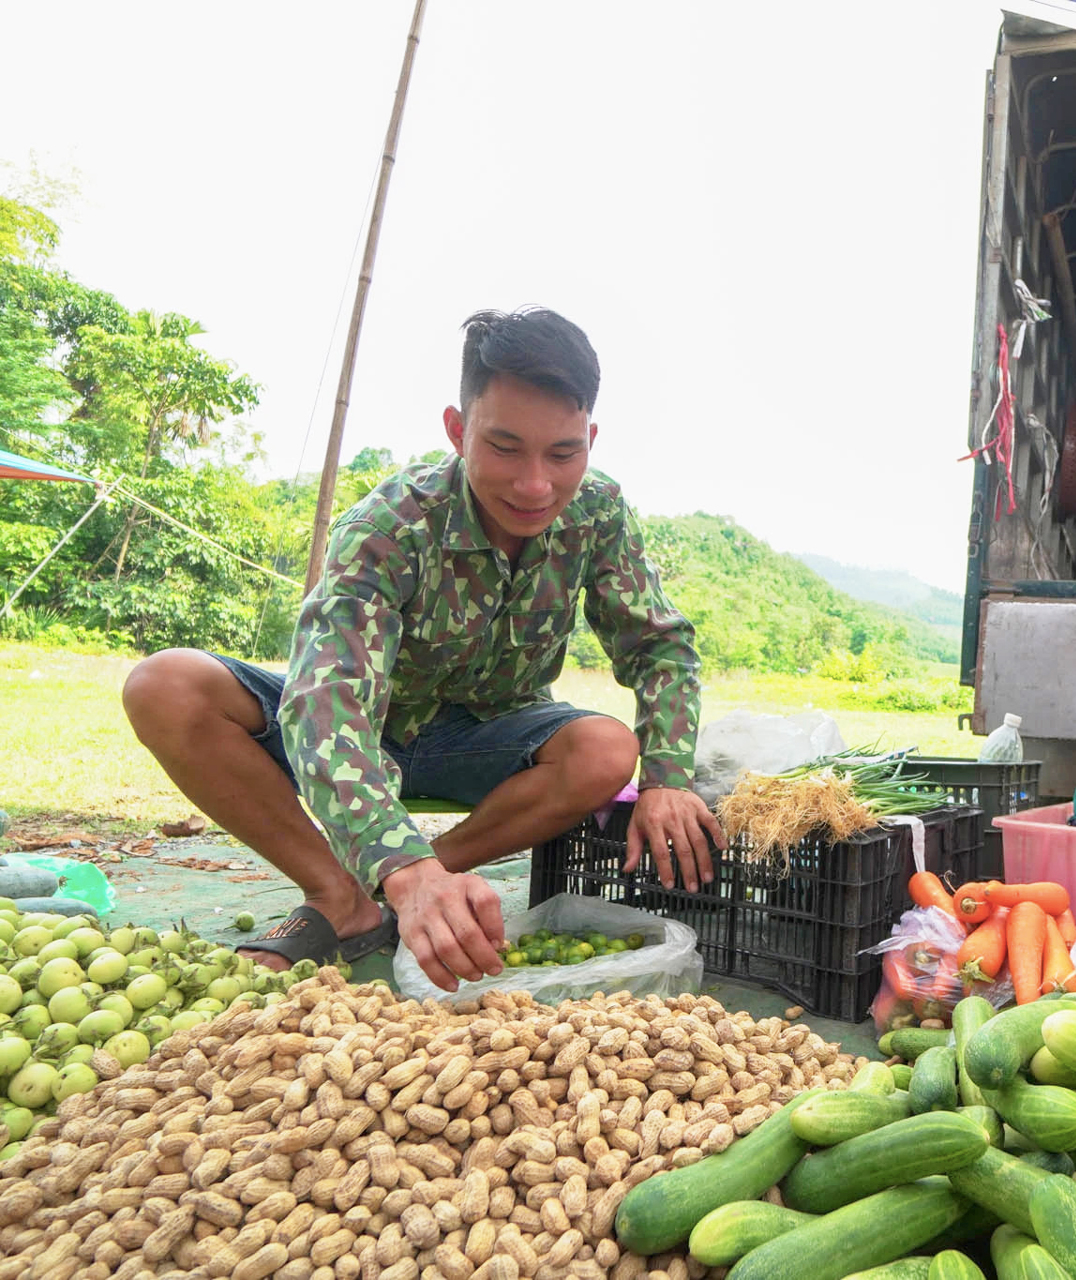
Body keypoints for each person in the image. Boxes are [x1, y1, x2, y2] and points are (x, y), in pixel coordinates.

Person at [121, 307, 724, 992]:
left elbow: (660, 644)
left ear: (590, 437)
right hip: (361, 732)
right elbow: (327, 708)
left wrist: (668, 778)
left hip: (484, 740)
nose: (535, 484)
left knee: (607, 750)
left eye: (562, 453)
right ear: (457, 430)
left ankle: (397, 877)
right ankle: (343, 893)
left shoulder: (598, 510)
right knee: (163, 684)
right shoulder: (390, 526)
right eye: (504, 448)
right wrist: (403, 866)